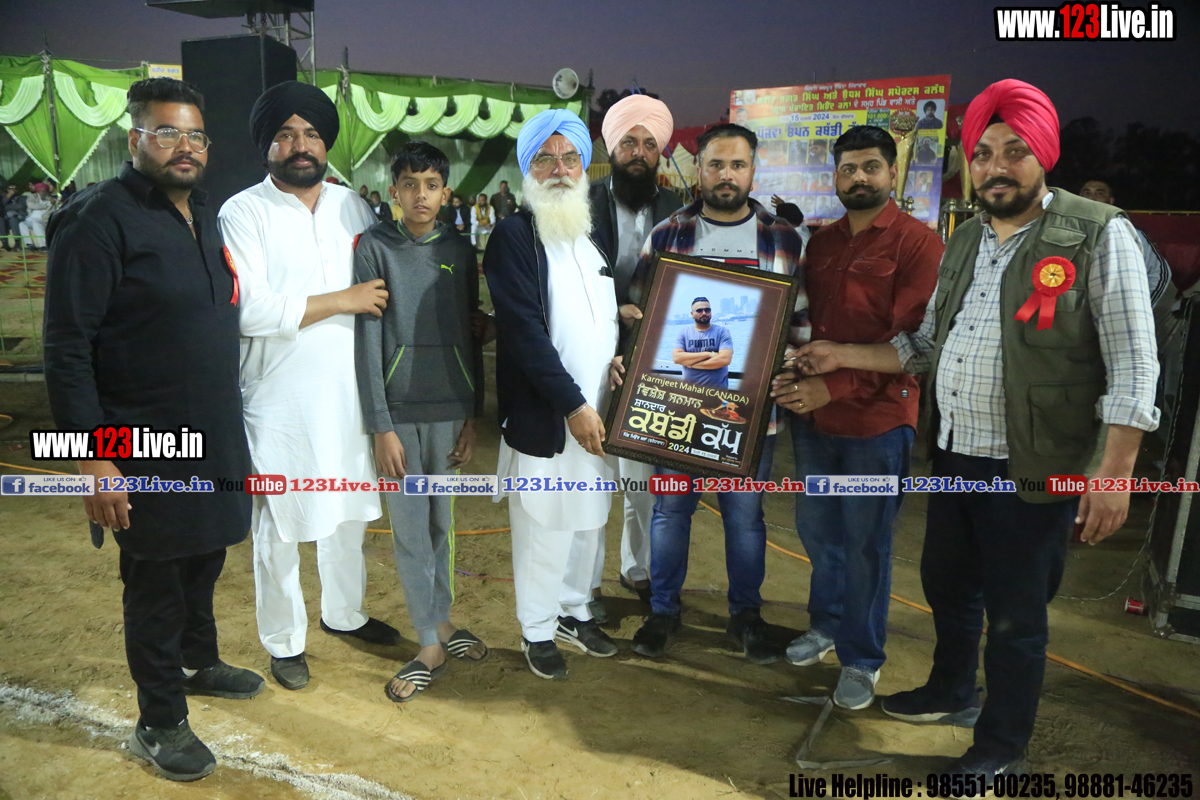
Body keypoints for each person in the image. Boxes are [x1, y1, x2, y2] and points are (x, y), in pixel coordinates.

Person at [790, 79, 1158, 781]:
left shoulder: (1097, 232)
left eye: (1014, 151)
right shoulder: (966, 241)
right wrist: (841, 355)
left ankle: (1001, 745)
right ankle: (951, 691)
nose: (996, 167)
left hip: (1035, 464)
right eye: (983, 153)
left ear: (1043, 154)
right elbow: (921, 346)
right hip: (958, 454)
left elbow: (1136, 363)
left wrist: (1114, 473)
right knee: (948, 584)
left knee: (1017, 615)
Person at [43, 77, 261, 783]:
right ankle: (158, 721)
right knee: (157, 578)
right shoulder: (96, 220)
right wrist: (92, 458)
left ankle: (198, 661)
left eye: (195, 134)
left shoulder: (205, 213)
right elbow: (67, 348)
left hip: (213, 434)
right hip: (139, 444)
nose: (184, 147)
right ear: (134, 138)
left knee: (206, 555)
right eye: (167, 133)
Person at [219, 81, 400, 693]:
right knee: (279, 526)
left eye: (312, 134)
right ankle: (284, 640)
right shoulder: (243, 212)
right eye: (286, 134)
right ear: (266, 145)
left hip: (349, 395)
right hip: (278, 400)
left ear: (326, 144)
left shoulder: (354, 208)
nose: (301, 145)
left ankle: (344, 613)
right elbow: (250, 310)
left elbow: (386, 290)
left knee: (346, 514)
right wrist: (344, 299)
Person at [772, 125, 943, 711]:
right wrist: (789, 372)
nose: (859, 178)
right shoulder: (821, 244)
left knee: (867, 543)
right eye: (848, 169)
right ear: (835, 177)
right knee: (820, 533)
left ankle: (862, 657)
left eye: (871, 166)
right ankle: (826, 625)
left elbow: (914, 346)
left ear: (893, 173)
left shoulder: (918, 245)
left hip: (877, 424)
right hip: (815, 423)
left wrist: (834, 385)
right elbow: (799, 323)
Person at [626, 123, 808, 664]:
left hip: (752, 414)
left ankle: (745, 616)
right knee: (669, 512)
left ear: (753, 170)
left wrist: (788, 362)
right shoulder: (667, 235)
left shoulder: (783, 238)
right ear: (699, 170)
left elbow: (799, 321)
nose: (726, 175)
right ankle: (663, 611)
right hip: (677, 407)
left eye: (737, 165)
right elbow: (641, 315)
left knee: (745, 519)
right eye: (715, 165)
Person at [485, 108, 620, 680]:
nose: (559, 169)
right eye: (545, 158)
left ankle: (573, 610)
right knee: (544, 523)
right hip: (552, 414)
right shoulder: (514, 236)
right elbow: (523, 332)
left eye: (570, 158)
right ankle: (537, 627)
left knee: (588, 519)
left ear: (584, 166)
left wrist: (616, 359)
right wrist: (573, 405)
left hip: (600, 412)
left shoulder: (590, 237)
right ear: (528, 168)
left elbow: (600, 320)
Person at [354, 141, 490, 702]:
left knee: (442, 526)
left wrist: (472, 415)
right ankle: (428, 642)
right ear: (394, 191)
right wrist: (380, 425)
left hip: (449, 409)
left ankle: (442, 621)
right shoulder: (374, 247)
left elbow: (471, 333)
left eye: (431, 185)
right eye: (409, 185)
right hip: (399, 415)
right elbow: (367, 340)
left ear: (446, 193)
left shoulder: (458, 249)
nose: (420, 195)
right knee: (411, 531)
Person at [587, 93, 683, 618]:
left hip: (654, 362)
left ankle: (638, 569)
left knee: (640, 480)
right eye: (629, 142)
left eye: (649, 143)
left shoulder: (678, 210)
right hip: (589, 354)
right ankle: (584, 585)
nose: (639, 152)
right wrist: (611, 313)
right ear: (612, 147)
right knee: (589, 480)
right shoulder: (581, 203)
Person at [672, 297, 734, 386]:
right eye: (699, 310)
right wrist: (709, 354)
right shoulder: (684, 333)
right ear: (692, 314)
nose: (704, 313)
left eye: (707, 310)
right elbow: (677, 358)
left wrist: (692, 365)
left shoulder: (722, 332)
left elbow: (724, 359)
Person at [20, 182, 55, 250]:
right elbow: (31, 205)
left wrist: (51, 203)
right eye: (41, 190)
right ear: (37, 191)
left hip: (43, 220)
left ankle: (43, 245)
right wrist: (45, 206)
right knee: (22, 224)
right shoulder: (32, 197)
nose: (43, 192)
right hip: (31, 219)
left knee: (36, 224)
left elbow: (53, 211)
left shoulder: (52, 200)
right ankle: (29, 244)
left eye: (44, 190)